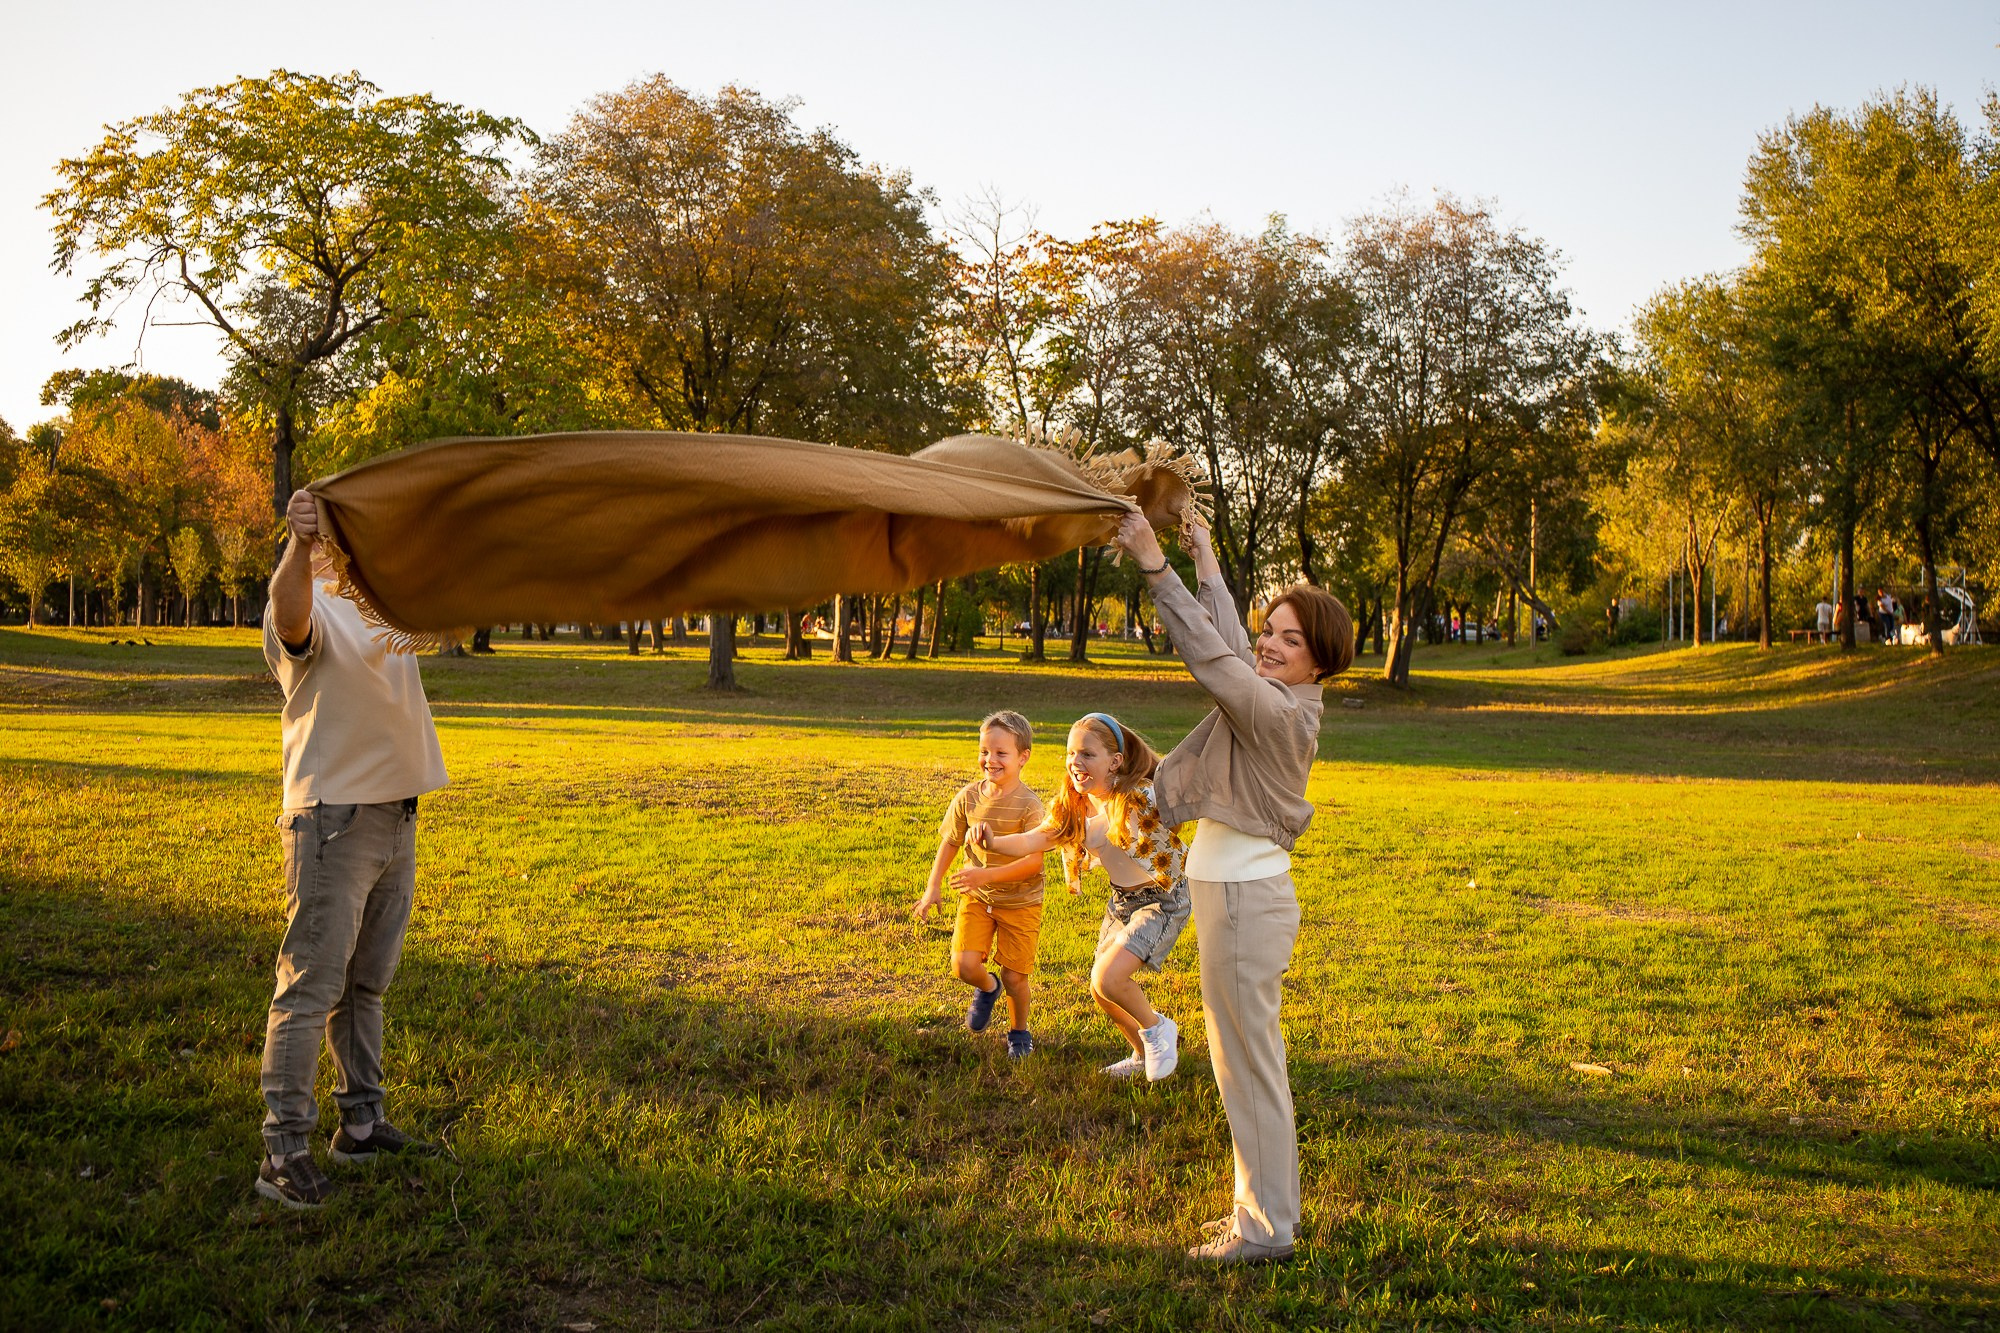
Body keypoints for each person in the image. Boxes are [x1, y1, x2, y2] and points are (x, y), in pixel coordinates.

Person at [1114, 510, 1354, 1266]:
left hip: (1248, 906)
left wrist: (1157, 566)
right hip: (1234, 900)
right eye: (1271, 630)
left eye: (1291, 639)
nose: (1271, 645)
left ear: (1320, 662)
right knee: (1244, 1063)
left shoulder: (1281, 713)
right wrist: (1206, 557)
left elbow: (1213, 661)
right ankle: (1264, 1217)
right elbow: (1228, 642)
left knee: (1248, 1066)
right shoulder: (1270, 695)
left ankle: (1265, 1227)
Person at [256, 488, 449, 1209]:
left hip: (397, 816)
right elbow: (289, 612)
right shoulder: (304, 600)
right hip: (333, 821)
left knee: (366, 983)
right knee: (311, 986)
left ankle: (360, 1122)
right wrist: (299, 545)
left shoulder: (382, 604)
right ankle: (283, 1151)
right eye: (337, 529)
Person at [972, 713, 1191, 1081]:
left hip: (1162, 900)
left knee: (1110, 978)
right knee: (1100, 989)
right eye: (1071, 753)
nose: (1076, 763)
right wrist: (992, 841)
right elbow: (1034, 840)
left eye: (1088, 754)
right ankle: (1140, 1055)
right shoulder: (1074, 803)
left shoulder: (1138, 795)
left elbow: (1183, 796)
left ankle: (1157, 1031)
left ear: (1115, 762)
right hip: (1123, 901)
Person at [913, 710, 1049, 1057]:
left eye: (1001, 753)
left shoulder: (1031, 807)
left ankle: (1019, 1032)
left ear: (1023, 758)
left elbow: (1032, 862)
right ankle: (989, 989)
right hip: (976, 897)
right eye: (985, 751)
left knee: (1016, 978)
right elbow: (950, 842)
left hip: (1020, 902)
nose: (990, 760)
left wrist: (985, 874)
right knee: (963, 965)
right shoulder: (969, 797)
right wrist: (934, 886)